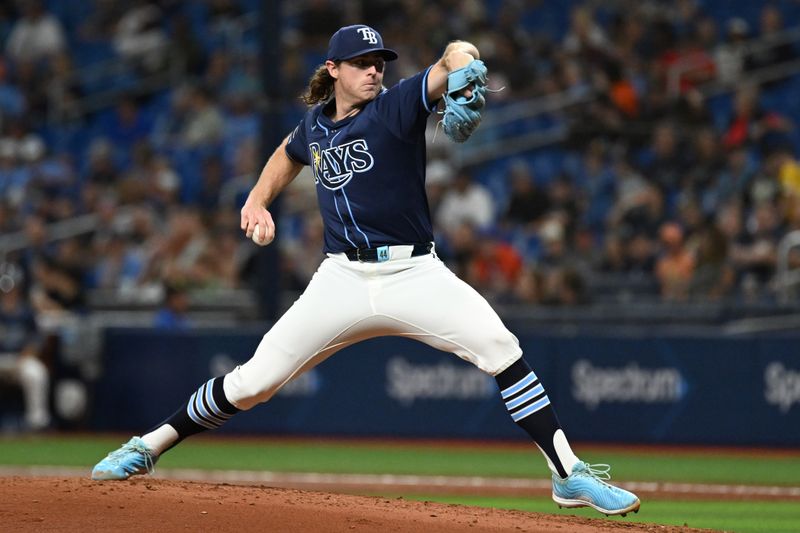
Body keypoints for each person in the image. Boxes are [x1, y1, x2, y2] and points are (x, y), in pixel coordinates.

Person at [91, 24, 640, 517]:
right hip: (342, 280)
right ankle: (147, 446)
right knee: (253, 382)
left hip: (414, 273)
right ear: (334, 70)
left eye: (379, 60)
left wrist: (467, 67)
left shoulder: (398, 104)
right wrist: (257, 199)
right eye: (361, 62)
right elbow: (287, 153)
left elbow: (453, 55)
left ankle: (568, 475)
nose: (375, 68)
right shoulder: (313, 126)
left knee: (501, 347)